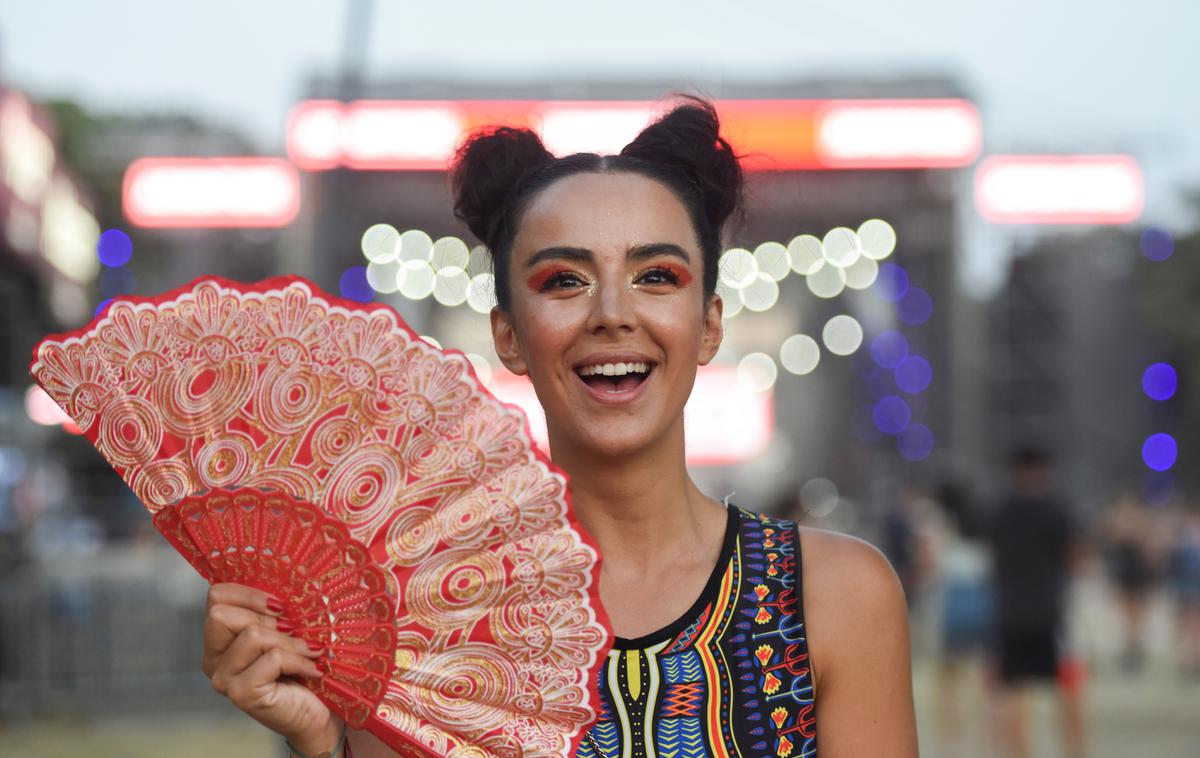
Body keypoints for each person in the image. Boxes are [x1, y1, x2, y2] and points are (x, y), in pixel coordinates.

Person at [200, 96, 917, 757]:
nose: (612, 312)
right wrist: (322, 743)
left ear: (708, 325)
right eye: (564, 281)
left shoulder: (834, 595)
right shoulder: (421, 625)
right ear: (508, 335)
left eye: (656, 276)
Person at [985, 447, 1084, 758]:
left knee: (1012, 691)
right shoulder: (1056, 509)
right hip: (1050, 612)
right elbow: (1074, 556)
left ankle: (1019, 754)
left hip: (1010, 612)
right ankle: (1074, 752)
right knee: (1071, 687)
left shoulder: (1000, 510)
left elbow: (991, 557)